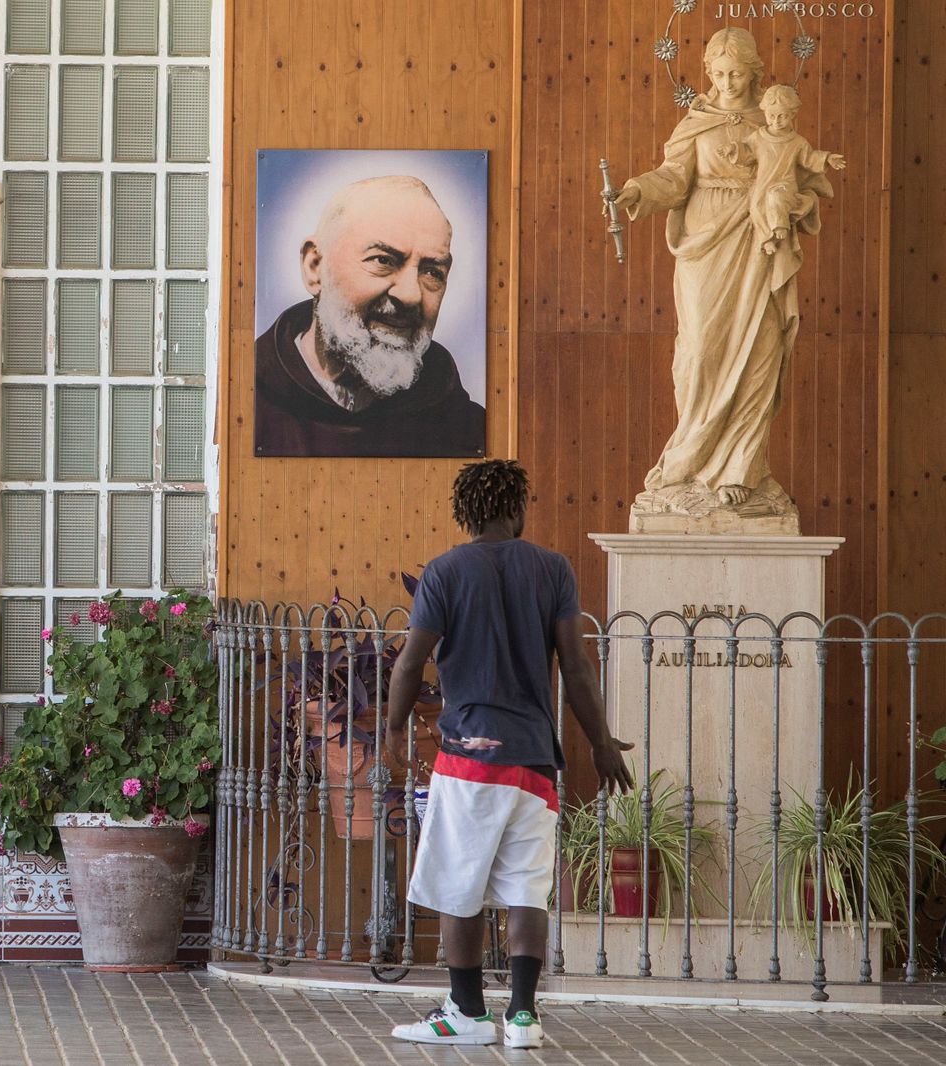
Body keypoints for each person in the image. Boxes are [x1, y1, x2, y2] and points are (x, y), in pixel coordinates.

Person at [384, 459, 633, 1049]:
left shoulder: (445, 572)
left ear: (464, 513)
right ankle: (523, 1018)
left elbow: (410, 662)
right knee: (526, 889)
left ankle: (467, 1012)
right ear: (518, 508)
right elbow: (575, 666)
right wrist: (600, 743)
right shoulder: (553, 569)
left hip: (470, 759)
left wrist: (393, 727)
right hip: (535, 762)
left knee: (458, 885)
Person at [612, 28, 838, 519]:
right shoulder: (697, 122)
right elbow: (674, 178)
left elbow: (800, 176)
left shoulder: (774, 121)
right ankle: (689, 461)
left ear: (754, 73)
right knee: (700, 351)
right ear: (708, 74)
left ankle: (740, 468)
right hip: (707, 241)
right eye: (718, 74)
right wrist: (638, 190)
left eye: (736, 73)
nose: (728, 82)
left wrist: (794, 199)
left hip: (758, 238)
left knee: (761, 347)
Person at [254, 173, 485, 458]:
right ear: (315, 267)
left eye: (431, 272)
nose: (411, 294)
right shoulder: (245, 405)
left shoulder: (467, 427)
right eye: (382, 260)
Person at [719, 84, 845, 258]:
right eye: (771, 116)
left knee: (776, 197)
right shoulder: (758, 137)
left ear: (792, 114)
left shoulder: (797, 142)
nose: (776, 121)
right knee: (756, 207)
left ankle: (780, 227)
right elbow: (747, 152)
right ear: (765, 113)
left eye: (782, 116)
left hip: (785, 185)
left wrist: (827, 158)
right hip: (763, 183)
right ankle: (767, 239)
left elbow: (809, 158)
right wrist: (733, 149)